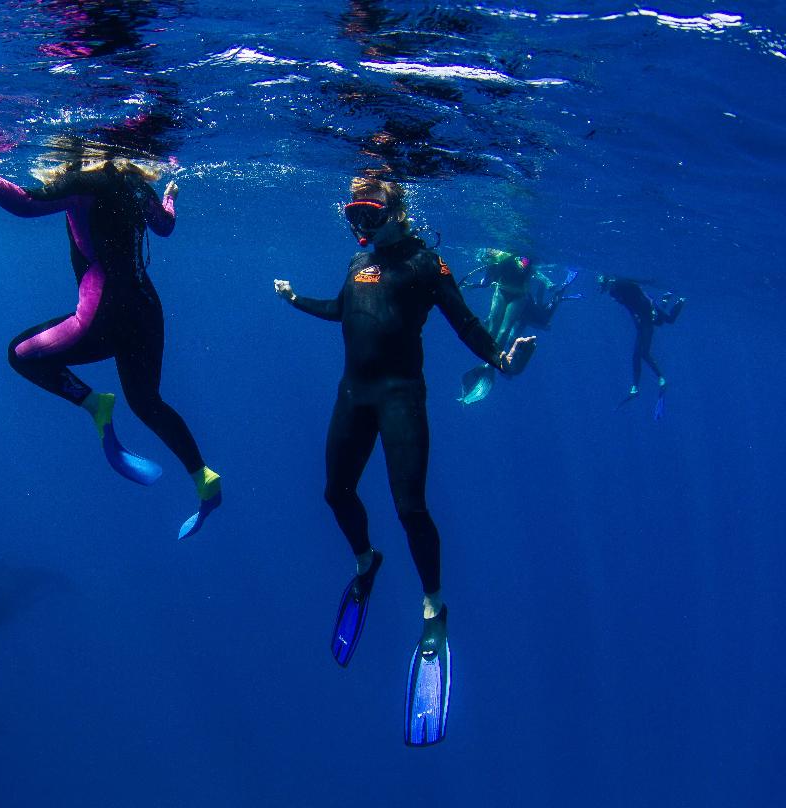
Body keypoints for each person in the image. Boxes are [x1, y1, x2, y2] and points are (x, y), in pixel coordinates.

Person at [273, 176, 535, 746]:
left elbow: (466, 322)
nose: (361, 226)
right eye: (354, 215)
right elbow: (342, 310)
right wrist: (296, 300)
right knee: (334, 493)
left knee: (410, 506)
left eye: (369, 213)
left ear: (397, 211)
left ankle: (433, 607)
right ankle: (367, 561)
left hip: (400, 398)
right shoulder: (356, 264)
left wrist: (500, 360)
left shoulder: (425, 264)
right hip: (353, 395)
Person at [0, 139, 221, 538]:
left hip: (101, 318)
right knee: (147, 402)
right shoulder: (134, 183)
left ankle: (93, 403)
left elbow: (24, 203)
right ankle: (202, 476)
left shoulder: (84, 182)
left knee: (20, 354)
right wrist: (171, 196)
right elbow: (165, 226)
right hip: (146, 310)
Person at [457, 249, 578, 404]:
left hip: (519, 296)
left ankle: (490, 365)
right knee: (493, 328)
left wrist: (547, 282)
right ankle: (489, 364)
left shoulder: (516, 258)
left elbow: (533, 270)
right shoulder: (498, 259)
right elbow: (486, 281)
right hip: (501, 291)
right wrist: (473, 285)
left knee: (504, 330)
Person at [599, 274, 685, 418]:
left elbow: (639, 291)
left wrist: (651, 308)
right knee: (638, 353)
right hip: (643, 319)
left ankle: (681, 299)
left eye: (604, 286)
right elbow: (630, 306)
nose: (606, 290)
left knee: (647, 348)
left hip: (647, 314)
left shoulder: (621, 284)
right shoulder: (615, 291)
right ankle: (637, 386)